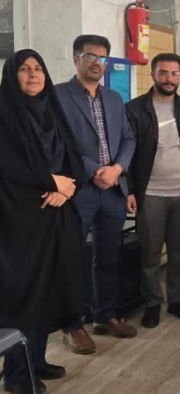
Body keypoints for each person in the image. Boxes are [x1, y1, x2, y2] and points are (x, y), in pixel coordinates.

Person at [0, 50, 86, 394]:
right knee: (26, 293)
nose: (33, 75)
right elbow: (8, 168)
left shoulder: (51, 108)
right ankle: (17, 373)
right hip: (21, 221)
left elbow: (73, 156)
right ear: (12, 76)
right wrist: (52, 182)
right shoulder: (4, 113)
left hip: (56, 213)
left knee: (51, 288)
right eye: (24, 69)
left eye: (38, 69)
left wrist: (67, 189)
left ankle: (36, 359)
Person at [56, 35, 137, 353]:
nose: (97, 63)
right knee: (72, 259)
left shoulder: (114, 98)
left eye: (102, 58)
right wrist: (93, 170)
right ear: (76, 59)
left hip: (113, 190)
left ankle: (104, 315)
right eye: (90, 56)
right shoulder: (58, 96)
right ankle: (72, 324)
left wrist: (117, 169)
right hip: (78, 190)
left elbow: (129, 139)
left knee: (108, 257)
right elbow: (59, 142)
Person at [125, 53, 180, 329]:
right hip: (150, 194)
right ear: (153, 74)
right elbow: (127, 153)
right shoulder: (134, 109)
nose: (169, 79)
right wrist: (130, 190)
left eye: (174, 73)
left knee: (179, 253)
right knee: (149, 254)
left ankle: (177, 300)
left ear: (179, 76)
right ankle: (152, 304)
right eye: (163, 73)